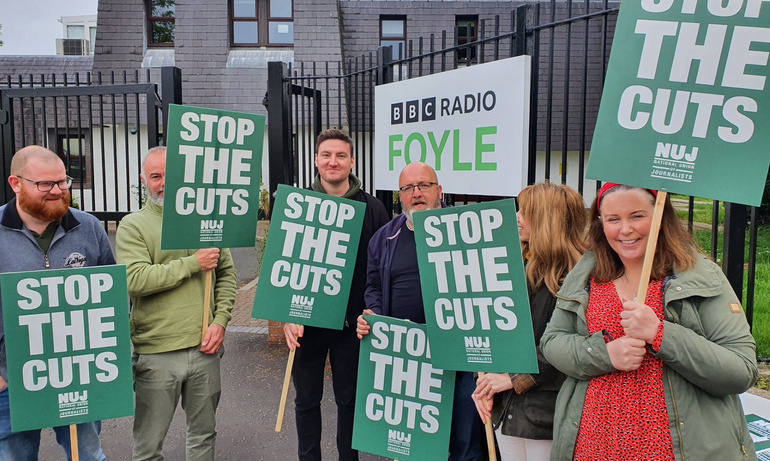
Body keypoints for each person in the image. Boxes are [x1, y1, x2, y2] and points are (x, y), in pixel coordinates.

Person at [540, 183, 758, 461]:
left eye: (637, 216)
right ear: (600, 223)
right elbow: (552, 342)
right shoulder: (586, 275)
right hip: (593, 448)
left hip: (674, 451)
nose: (625, 229)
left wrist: (660, 333)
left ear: (660, 216)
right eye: (613, 219)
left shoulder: (700, 276)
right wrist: (604, 354)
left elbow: (741, 370)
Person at [116, 146, 237, 461]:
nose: (164, 183)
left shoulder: (207, 220)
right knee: (148, 446)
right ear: (144, 180)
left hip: (205, 348)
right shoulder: (133, 225)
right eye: (156, 176)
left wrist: (220, 321)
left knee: (203, 437)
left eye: (172, 175)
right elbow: (134, 279)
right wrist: (192, 263)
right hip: (156, 353)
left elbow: (226, 275)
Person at [356, 161, 483, 461]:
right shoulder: (383, 239)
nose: (416, 193)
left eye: (424, 185)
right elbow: (373, 286)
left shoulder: (466, 231)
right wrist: (374, 316)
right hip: (410, 356)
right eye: (408, 188)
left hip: (461, 353)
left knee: (465, 442)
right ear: (400, 196)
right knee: (418, 447)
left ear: (439, 190)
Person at [0, 145, 113, 460]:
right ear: (16, 183)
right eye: (45, 184)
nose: (57, 191)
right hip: (10, 380)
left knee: (88, 455)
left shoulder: (88, 227)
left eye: (63, 182)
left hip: (78, 374)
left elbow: (111, 298)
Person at [283, 129, 389, 461]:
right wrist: (285, 315)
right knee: (305, 401)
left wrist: (375, 311)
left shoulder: (374, 209)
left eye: (341, 155)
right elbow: (282, 265)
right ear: (316, 160)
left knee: (350, 402)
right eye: (326, 155)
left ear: (352, 161)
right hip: (307, 323)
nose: (333, 161)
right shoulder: (297, 206)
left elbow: (383, 270)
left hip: (353, 326)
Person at [472, 182, 586, 461]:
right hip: (506, 409)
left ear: (546, 220)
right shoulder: (515, 266)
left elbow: (567, 346)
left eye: (525, 211)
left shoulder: (577, 277)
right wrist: (485, 379)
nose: (516, 217)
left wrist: (512, 379)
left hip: (546, 412)